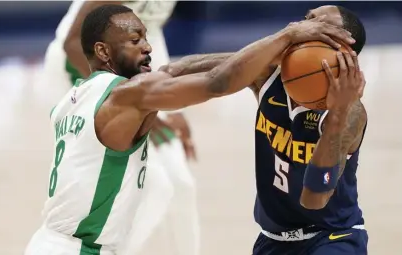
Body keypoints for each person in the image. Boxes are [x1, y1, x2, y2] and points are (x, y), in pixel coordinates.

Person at [24, 4, 354, 255]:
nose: (148, 47)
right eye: (136, 41)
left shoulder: (69, 102)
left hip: (49, 242)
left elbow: (170, 72)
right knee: (166, 186)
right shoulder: (127, 96)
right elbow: (219, 83)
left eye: (146, 37)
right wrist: (285, 38)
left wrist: (158, 108)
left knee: (166, 186)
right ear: (103, 50)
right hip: (79, 249)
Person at [160, 5, 368, 255]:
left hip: (333, 238)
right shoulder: (268, 75)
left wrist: (338, 114)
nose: (302, 26)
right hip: (272, 240)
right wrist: (280, 41)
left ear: (342, 52)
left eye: (318, 27)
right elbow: (175, 72)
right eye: (306, 20)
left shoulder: (350, 113)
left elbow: (315, 199)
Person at [43, 1, 200, 255]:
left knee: (181, 184)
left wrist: (173, 108)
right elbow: (73, 44)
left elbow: (150, 30)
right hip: (77, 71)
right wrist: (137, 101)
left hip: (125, 76)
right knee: (156, 186)